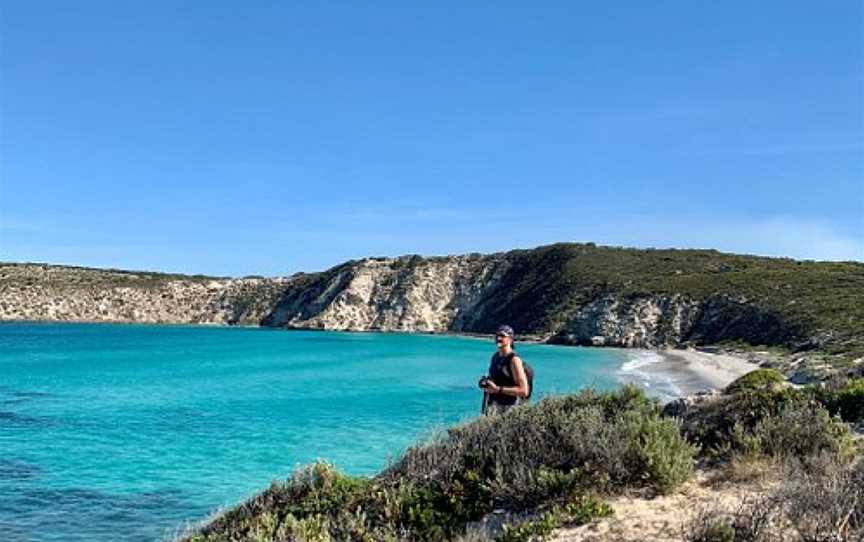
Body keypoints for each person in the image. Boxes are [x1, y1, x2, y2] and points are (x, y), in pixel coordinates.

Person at [479, 325, 530, 415]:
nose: (498, 338)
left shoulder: (514, 360)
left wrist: (498, 389)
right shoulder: (495, 357)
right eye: (497, 335)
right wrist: (486, 383)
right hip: (493, 408)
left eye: (502, 336)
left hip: (509, 410)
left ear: (510, 339)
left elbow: (524, 391)